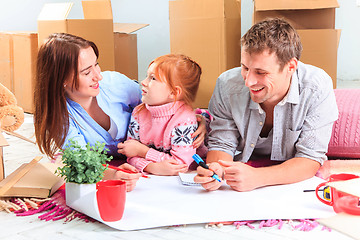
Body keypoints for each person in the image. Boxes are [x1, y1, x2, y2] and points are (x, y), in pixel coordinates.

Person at [34, 33, 206, 191]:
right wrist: (112, 175)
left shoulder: (116, 84)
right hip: (132, 162)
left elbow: (165, 103)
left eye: (97, 65)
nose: (98, 76)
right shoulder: (61, 118)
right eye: (87, 72)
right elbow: (81, 162)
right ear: (62, 79)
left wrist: (198, 120)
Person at [194, 18, 339, 192]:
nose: (248, 82)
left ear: (290, 66)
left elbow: (310, 157)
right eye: (245, 68)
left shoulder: (316, 87)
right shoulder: (227, 85)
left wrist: (258, 177)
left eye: (261, 72)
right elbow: (221, 143)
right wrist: (216, 169)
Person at [117, 54, 207, 175]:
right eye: (146, 76)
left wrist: (144, 152)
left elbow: (181, 165)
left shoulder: (185, 119)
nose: (143, 82)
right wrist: (151, 167)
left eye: (153, 78)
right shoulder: (138, 112)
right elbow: (130, 153)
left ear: (174, 92)